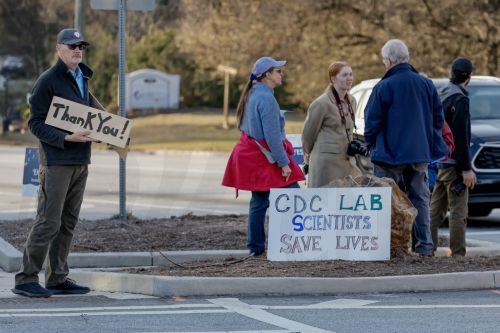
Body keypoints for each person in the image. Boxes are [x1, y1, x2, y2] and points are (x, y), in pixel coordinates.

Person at [12, 28, 99, 297]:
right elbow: (34, 123)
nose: (77, 50)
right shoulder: (48, 80)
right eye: (71, 45)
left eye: (80, 46)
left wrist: (110, 130)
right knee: (48, 221)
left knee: (68, 221)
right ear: (58, 49)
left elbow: (94, 112)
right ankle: (26, 279)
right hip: (57, 160)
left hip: (80, 160)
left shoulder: (82, 76)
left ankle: (57, 277)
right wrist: (65, 137)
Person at [364, 39, 448, 256]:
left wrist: (370, 142)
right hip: (419, 154)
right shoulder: (426, 84)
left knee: (386, 200)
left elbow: (372, 121)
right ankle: (424, 245)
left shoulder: (383, 86)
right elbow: (438, 119)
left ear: (390, 61)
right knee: (420, 199)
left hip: (388, 155)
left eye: (384, 60)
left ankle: (387, 246)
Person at [222, 57, 305, 256]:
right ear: (267, 74)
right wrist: (284, 163)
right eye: (278, 71)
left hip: (252, 155)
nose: (281, 74)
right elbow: (272, 137)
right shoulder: (266, 98)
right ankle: (291, 244)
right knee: (293, 197)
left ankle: (255, 248)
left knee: (259, 202)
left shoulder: (254, 93)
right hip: (264, 157)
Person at [430, 58, 476, 256]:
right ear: (468, 76)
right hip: (455, 165)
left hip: (441, 162)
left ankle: (425, 249)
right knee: (458, 213)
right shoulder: (461, 99)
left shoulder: (444, 93)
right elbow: (461, 137)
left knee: (434, 212)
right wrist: (466, 169)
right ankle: (458, 255)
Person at [302, 61, 363, 187]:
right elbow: (308, 136)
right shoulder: (321, 103)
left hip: (347, 161)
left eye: (351, 74)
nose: (349, 78)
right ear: (333, 79)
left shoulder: (352, 101)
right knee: (326, 202)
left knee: (347, 202)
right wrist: (309, 157)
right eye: (345, 75)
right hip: (326, 164)